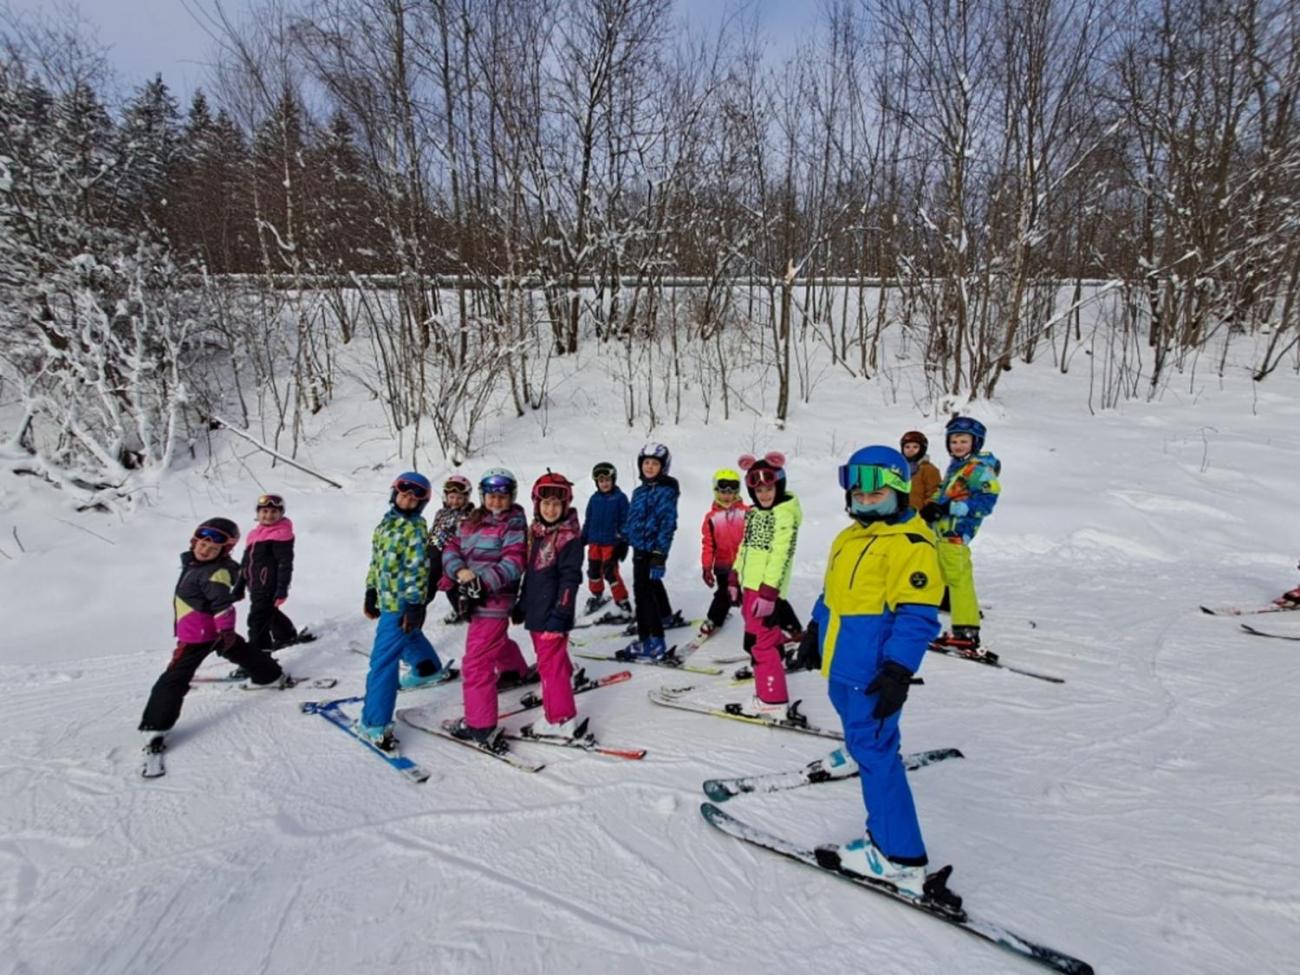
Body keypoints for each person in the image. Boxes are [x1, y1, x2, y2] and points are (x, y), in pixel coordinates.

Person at [806, 445, 958, 910]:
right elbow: (832, 593)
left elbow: (917, 616)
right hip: (842, 669)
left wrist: (897, 669)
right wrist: (815, 626)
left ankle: (898, 855)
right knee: (862, 736)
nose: (866, 502)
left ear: (898, 492)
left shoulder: (911, 546)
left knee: (877, 753)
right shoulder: (849, 538)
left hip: (872, 676)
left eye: (877, 495)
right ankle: (859, 747)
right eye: (859, 494)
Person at [138, 518, 289, 746]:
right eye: (202, 544)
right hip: (209, 631)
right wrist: (224, 634)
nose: (205, 550)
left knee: (175, 675)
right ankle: (270, 675)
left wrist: (226, 629)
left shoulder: (213, 573)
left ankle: (156, 724)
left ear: (224, 550)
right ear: (193, 542)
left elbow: (223, 605)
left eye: (213, 547)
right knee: (239, 650)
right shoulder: (196, 565)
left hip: (197, 636)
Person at [441, 468, 530, 746]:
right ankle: (515, 670)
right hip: (472, 595)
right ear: (483, 497)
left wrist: (483, 582)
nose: (496, 501)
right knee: (494, 642)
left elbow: (515, 561)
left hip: (494, 600)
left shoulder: (514, 523)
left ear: (511, 497)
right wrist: (461, 574)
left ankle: (480, 725)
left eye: (502, 497)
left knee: (477, 662)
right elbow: (451, 547)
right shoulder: (472, 520)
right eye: (491, 496)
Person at [357, 472, 445, 749]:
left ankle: (375, 723)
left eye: (413, 498)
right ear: (394, 493)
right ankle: (426, 667)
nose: (406, 500)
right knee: (408, 634)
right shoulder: (386, 523)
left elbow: (418, 571)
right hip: (386, 598)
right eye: (403, 494)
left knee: (382, 662)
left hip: (401, 603)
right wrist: (371, 590)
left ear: (421, 504)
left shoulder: (415, 529)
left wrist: (415, 605)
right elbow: (376, 561)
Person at [920, 416, 1001, 651]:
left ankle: (966, 630)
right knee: (941, 575)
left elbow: (986, 502)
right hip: (942, 532)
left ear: (975, 443)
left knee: (958, 579)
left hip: (957, 532)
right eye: (954, 441)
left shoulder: (978, 469)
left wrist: (949, 508)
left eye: (963, 441)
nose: (958, 445)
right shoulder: (957, 466)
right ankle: (929, 619)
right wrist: (932, 505)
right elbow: (945, 493)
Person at [729, 452, 802, 712]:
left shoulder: (784, 516)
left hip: (765, 591)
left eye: (769, 488)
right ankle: (776, 660)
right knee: (755, 638)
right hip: (750, 587)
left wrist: (769, 593)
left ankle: (772, 700)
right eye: (759, 490)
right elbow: (745, 548)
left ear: (779, 486)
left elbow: (780, 556)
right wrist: (735, 576)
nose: (764, 494)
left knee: (761, 644)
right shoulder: (755, 514)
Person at [516, 472, 586, 738]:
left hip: (554, 613)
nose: (551, 509)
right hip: (537, 610)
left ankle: (561, 718)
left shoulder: (569, 538)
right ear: (537, 504)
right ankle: (562, 682)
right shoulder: (536, 533)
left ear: (565, 506)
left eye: (557, 504)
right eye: (545, 503)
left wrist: (561, 615)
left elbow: (570, 580)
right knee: (550, 661)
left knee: (550, 664)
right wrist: (522, 603)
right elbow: (531, 573)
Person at [621, 443, 680, 659]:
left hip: (651, 551)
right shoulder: (639, 491)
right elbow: (632, 519)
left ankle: (652, 642)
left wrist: (659, 555)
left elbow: (667, 524)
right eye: (646, 462)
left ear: (663, 467)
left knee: (643, 596)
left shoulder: (666, 492)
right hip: (639, 549)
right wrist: (623, 539)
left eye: (655, 463)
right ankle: (662, 618)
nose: (649, 467)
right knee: (647, 589)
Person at [235, 493, 302, 652]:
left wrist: (282, 589)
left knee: (257, 621)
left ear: (281, 514)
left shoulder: (281, 535)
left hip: (268, 585)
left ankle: (259, 657)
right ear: (258, 514)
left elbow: (285, 564)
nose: (269, 515)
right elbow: (246, 563)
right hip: (255, 584)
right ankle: (286, 635)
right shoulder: (254, 535)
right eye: (264, 512)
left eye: (274, 512)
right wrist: (240, 585)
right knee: (269, 612)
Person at [699, 468, 747, 637]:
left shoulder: (746, 513)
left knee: (749, 594)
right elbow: (708, 544)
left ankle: (765, 625)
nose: (727, 496)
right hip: (723, 565)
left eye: (732, 492)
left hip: (745, 565)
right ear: (716, 491)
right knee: (723, 593)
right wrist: (706, 567)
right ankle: (714, 619)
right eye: (723, 492)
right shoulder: (711, 517)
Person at [581, 461, 631, 615]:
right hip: (594, 543)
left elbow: (626, 521)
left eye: (607, 480)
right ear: (597, 483)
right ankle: (597, 595)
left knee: (610, 572)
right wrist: (583, 537)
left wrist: (623, 540)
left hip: (611, 543)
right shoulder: (594, 499)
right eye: (601, 481)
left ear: (613, 480)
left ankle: (622, 600)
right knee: (594, 571)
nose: (604, 484)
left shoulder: (620, 498)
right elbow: (588, 520)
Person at [427, 474, 476, 622]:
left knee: (453, 591)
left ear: (466, 498)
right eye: (452, 497)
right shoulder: (441, 513)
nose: (455, 501)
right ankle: (414, 616)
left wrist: (449, 572)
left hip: (453, 561)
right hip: (433, 557)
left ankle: (465, 614)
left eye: (459, 498)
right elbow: (434, 533)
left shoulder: (469, 518)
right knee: (426, 590)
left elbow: (466, 545)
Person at [900, 431, 942, 514]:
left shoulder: (928, 469)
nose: (910, 450)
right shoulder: (899, 468)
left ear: (922, 449)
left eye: (915, 447)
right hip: (900, 515)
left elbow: (935, 491)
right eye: (907, 447)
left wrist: (929, 508)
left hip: (920, 515)